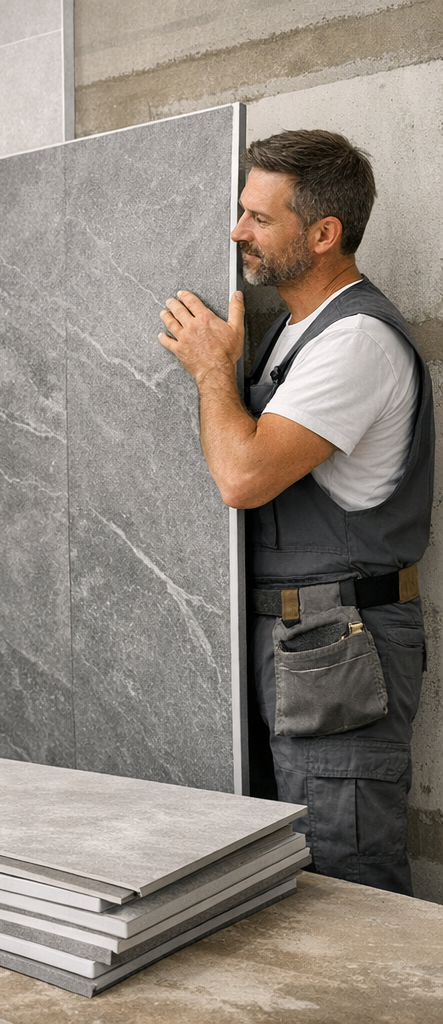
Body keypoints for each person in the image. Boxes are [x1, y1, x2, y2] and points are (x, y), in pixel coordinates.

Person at [158, 129, 433, 895]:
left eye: (259, 218)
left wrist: (215, 370)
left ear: (323, 234)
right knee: (284, 884)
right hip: (294, 644)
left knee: (344, 881)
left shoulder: (356, 343)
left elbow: (243, 476)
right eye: (241, 211)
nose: (237, 231)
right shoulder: (295, 332)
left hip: (335, 652)